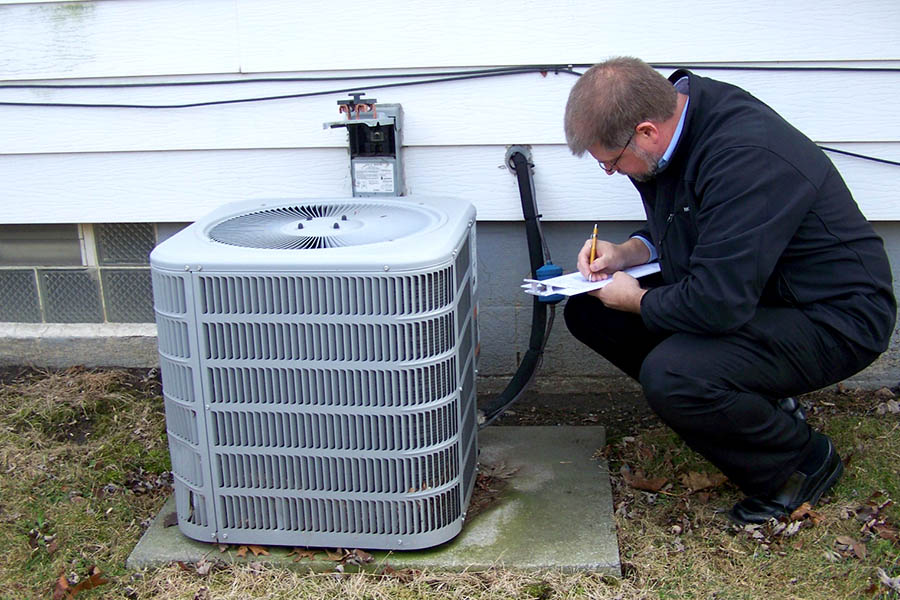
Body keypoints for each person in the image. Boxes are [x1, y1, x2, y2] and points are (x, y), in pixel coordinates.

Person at [562, 57, 896, 524]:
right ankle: (749, 404)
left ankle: (798, 465)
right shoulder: (680, 120)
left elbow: (717, 302)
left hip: (833, 315)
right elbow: (700, 222)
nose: (614, 173)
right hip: (758, 291)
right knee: (590, 311)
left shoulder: (744, 154)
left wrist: (637, 298)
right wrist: (629, 252)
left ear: (645, 132)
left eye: (612, 163)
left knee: (674, 375)